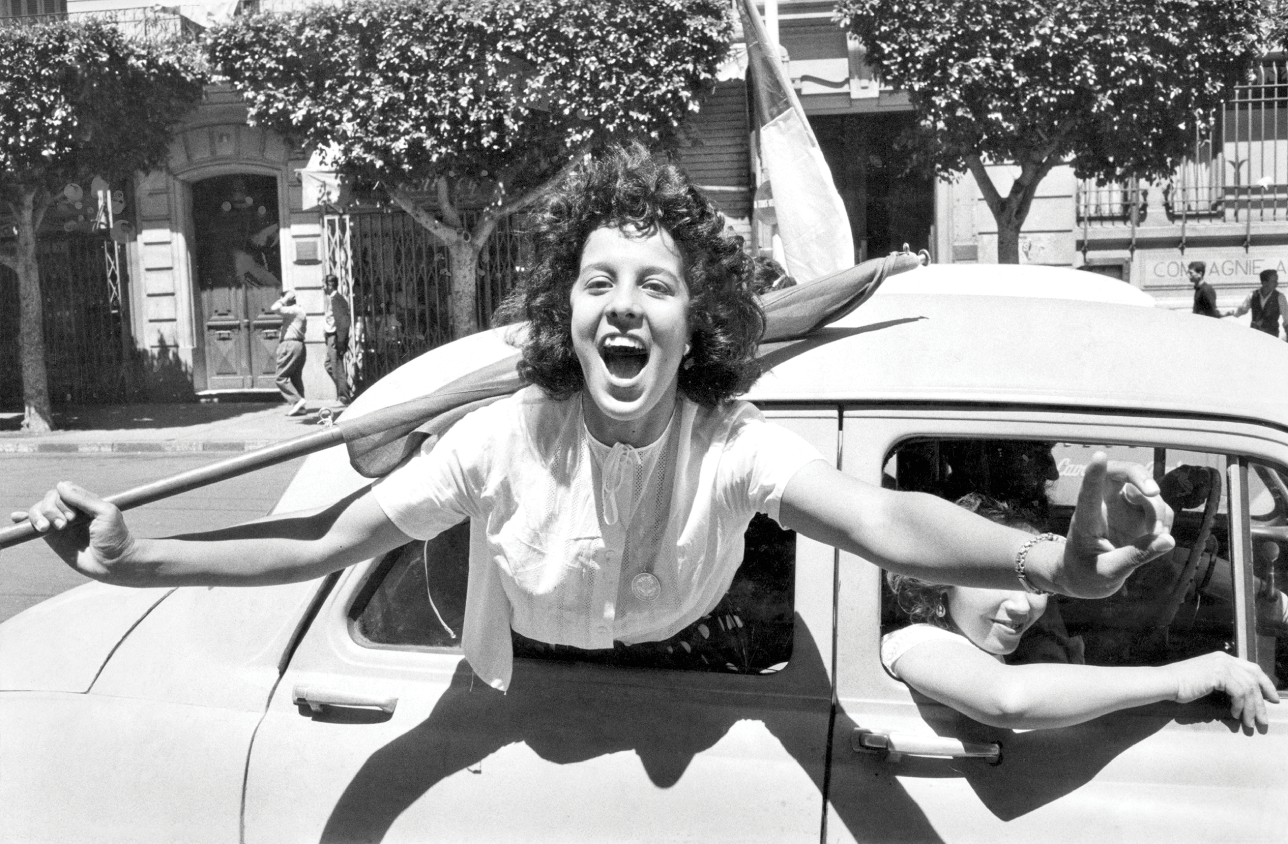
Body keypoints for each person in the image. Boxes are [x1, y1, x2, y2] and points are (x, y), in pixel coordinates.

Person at [16, 143, 1175, 693]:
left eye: (656, 286)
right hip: (518, 642)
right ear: (565, 312)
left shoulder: (731, 445)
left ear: (698, 323)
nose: (624, 304)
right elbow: (325, 542)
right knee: (431, 507)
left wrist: (1055, 563)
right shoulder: (500, 434)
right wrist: (133, 556)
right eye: (597, 283)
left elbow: (883, 519)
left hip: (695, 634)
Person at [882, 494, 1278, 731]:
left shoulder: (989, 637)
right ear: (941, 580)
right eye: (995, 581)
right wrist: (1178, 677)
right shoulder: (913, 643)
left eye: (1034, 586)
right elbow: (1007, 698)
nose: (1023, 605)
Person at [270, 289, 308, 416]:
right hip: (299, 345)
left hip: (290, 345)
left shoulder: (293, 310)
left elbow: (274, 308)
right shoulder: (299, 311)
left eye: (283, 300)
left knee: (280, 377)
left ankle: (297, 400)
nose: (282, 303)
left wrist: (284, 298)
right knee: (295, 377)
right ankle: (300, 408)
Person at [1225, 269, 1288, 338]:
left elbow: (1286, 318)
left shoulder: (1280, 297)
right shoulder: (1252, 295)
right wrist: (1229, 315)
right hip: (1255, 336)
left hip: (1271, 337)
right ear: (1265, 283)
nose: (1277, 284)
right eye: (1274, 281)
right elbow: (1242, 310)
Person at [322, 274, 352, 405]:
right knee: (329, 365)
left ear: (329, 285)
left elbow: (344, 322)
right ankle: (344, 388)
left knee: (336, 366)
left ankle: (344, 396)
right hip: (331, 336)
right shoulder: (333, 299)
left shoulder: (337, 300)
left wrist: (340, 341)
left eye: (324, 285)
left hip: (335, 337)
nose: (323, 288)